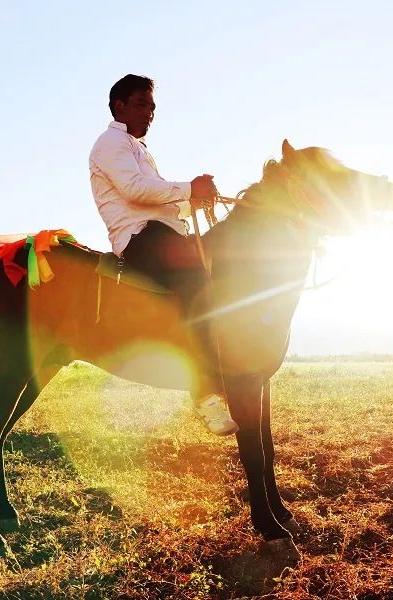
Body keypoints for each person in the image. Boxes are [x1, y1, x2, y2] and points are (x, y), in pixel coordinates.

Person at [88, 74, 238, 436]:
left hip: (158, 231)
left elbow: (160, 205)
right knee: (198, 284)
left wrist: (193, 202)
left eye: (152, 106)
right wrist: (189, 188)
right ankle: (205, 396)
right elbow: (135, 190)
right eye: (141, 104)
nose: (150, 112)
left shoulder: (137, 149)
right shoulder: (110, 143)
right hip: (139, 239)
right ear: (118, 105)